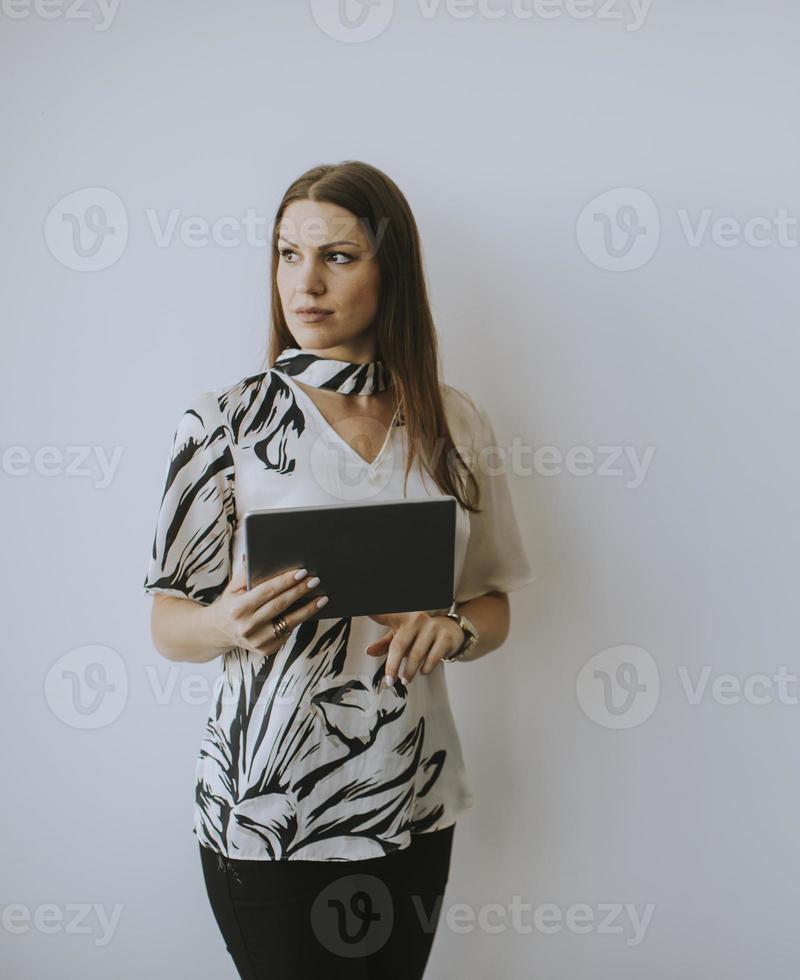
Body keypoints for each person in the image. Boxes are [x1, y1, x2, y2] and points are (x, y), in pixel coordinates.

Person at [141, 160, 535, 978]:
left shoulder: (452, 417)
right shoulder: (224, 422)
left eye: (338, 256)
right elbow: (168, 624)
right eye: (288, 255)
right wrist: (222, 622)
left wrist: (452, 630)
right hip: (270, 810)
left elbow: (491, 602)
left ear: (392, 270)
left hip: (413, 794)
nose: (305, 282)